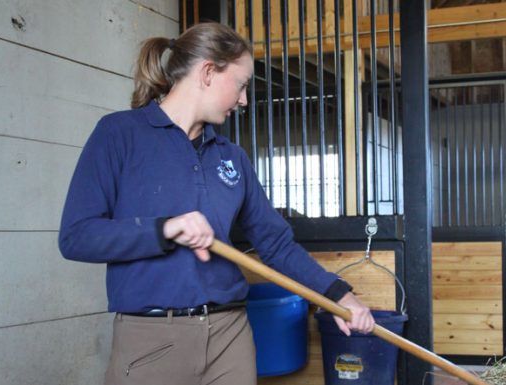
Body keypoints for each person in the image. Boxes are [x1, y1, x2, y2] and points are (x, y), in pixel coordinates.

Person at [58, 22, 375, 385]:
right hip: (151, 339)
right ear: (208, 72)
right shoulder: (118, 135)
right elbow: (77, 236)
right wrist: (165, 229)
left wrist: (340, 296)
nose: (243, 99)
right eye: (241, 85)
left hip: (230, 336)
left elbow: (275, 243)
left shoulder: (232, 158)